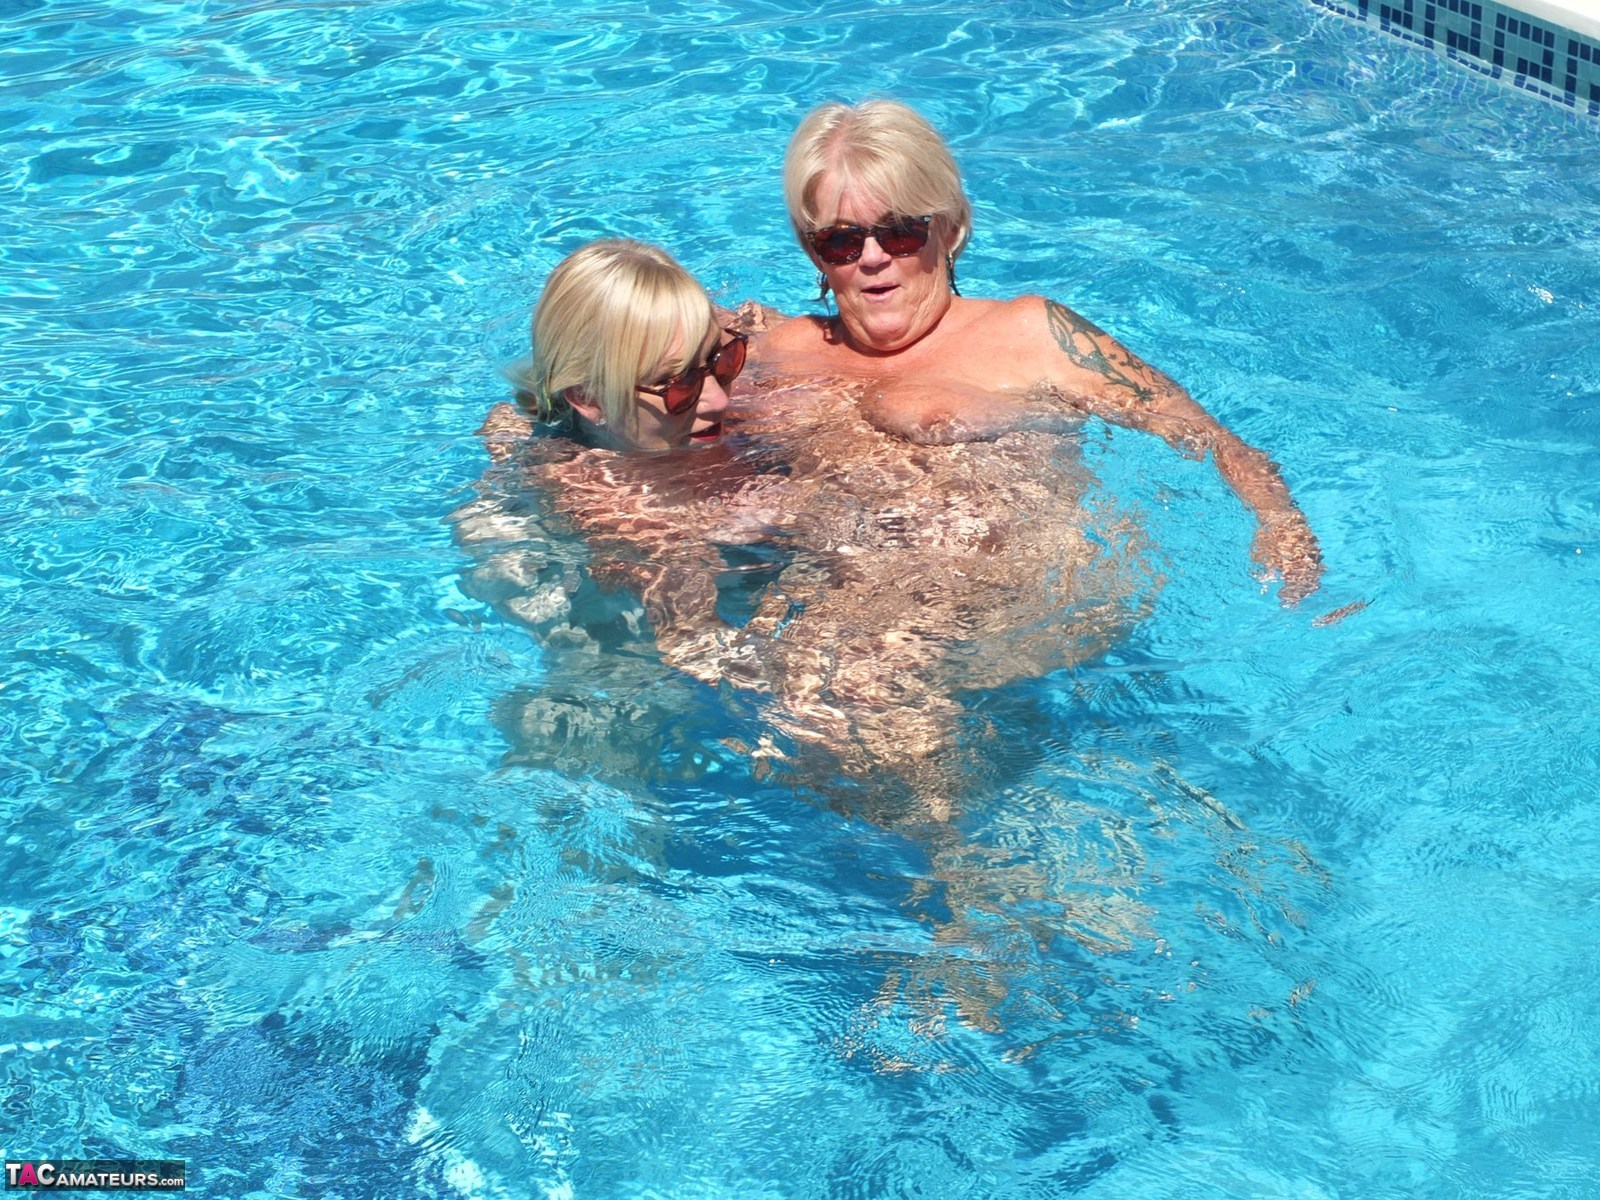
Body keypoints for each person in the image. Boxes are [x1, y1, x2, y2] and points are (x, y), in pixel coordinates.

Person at [752, 99, 1323, 605]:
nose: (873, 258)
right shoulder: (780, 349)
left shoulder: (1034, 334)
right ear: (813, 250)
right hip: (822, 585)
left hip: (990, 602)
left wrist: (1281, 525)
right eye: (842, 240)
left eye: (900, 231)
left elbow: (1205, 435)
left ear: (948, 229)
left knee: (857, 673)